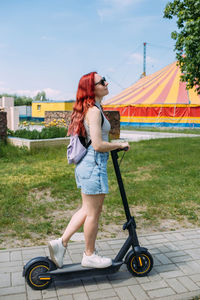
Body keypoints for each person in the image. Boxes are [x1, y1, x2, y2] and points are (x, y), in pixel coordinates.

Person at [48, 72, 130, 269]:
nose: (106, 82)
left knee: (87, 210)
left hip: (89, 166)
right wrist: (119, 145)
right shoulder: (93, 111)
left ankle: (61, 243)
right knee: (93, 213)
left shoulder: (95, 108)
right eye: (102, 81)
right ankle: (89, 255)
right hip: (94, 165)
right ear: (92, 89)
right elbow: (99, 145)